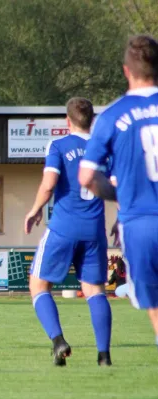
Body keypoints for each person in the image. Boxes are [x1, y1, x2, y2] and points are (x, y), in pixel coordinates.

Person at [79, 34, 158, 350]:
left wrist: (121, 194)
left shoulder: (111, 116)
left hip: (139, 222)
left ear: (126, 70)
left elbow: (87, 177)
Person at [24, 97, 113, 366]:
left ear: (67, 121)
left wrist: (35, 209)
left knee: (38, 285)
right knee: (95, 290)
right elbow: (116, 185)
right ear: (92, 121)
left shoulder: (59, 145)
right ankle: (104, 356)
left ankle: (58, 341)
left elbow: (49, 184)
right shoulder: (104, 150)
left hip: (63, 227)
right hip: (94, 230)